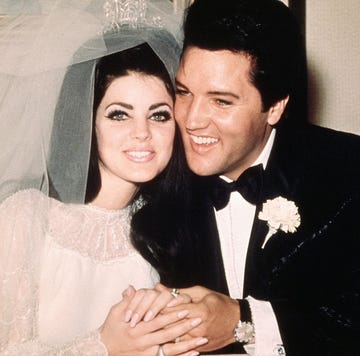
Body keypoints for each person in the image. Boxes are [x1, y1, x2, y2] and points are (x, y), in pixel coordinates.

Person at [131, 0, 360, 355]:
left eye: (221, 102)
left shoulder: (347, 173)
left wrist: (246, 321)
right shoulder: (152, 176)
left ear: (275, 106)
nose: (191, 120)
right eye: (184, 92)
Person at [0, 1, 208, 355]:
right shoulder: (26, 217)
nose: (142, 133)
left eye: (158, 116)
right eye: (118, 115)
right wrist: (103, 346)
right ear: (85, 121)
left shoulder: (179, 224)